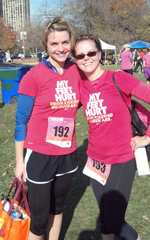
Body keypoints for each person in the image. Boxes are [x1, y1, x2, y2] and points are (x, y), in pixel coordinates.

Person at [72, 34, 150, 240]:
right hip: (95, 161)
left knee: (115, 221)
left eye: (91, 53)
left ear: (99, 54)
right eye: (80, 55)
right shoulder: (81, 86)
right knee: (105, 220)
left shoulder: (118, 78)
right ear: (75, 58)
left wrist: (148, 137)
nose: (86, 58)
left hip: (121, 159)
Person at [14, 17, 81, 240]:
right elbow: (20, 122)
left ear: (71, 42)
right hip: (40, 155)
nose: (60, 48)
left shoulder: (77, 71)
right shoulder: (33, 77)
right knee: (39, 220)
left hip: (67, 154)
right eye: (54, 44)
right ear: (45, 45)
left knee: (57, 209)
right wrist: (19, 162)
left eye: (65, 42)